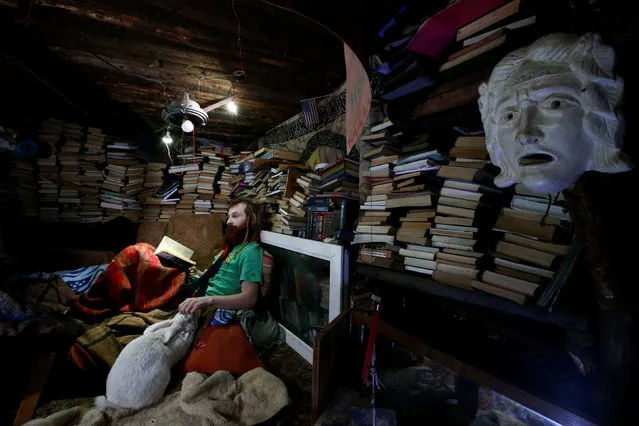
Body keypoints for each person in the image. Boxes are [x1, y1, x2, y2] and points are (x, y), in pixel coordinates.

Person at [178, 198, 263, 317]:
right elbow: (219, 280)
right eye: (228, 217)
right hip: (196, 291)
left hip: (207, 304)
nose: (228, 221)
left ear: (251, 220)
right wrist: (198, 273)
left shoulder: (250, 251)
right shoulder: (230, 248)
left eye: (235, 216)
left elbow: (250, 298)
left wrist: (208, 300)